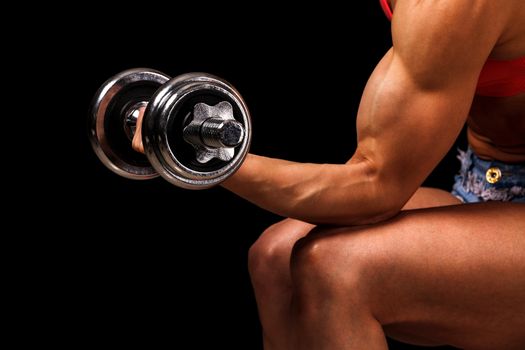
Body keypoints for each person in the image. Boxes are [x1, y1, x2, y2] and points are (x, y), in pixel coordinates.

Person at [133, 0, 525, 348]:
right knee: (274, 258)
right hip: (485, 182)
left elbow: (375, 186)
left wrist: (203, 158)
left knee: (336, 270)